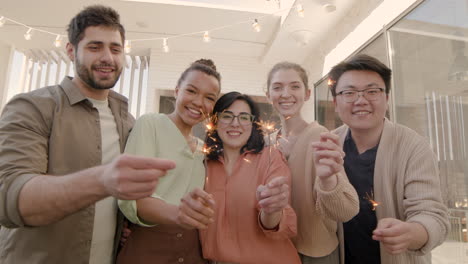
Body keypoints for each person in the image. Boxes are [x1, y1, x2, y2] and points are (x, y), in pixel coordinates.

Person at [0, 5, 175, 264]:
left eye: (115, 49)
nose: (107, 57)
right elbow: (9, 198)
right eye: (95, 47)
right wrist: (102, 180)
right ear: (71, 51)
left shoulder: (128, 121)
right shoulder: (32, 107)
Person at [328, 54, 449, 264]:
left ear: (386, 98)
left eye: (372, 91)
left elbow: (433, 215)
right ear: (336, 103)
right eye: (349, 93)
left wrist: (412, 232)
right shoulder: (330, 144)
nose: (361, 100)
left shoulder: (413, 146)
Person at [117, 59, 221, 264]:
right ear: (176, 91)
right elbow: (133, 196)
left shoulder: (204, 150)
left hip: (193, 251)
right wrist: (179, 214)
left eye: (209, 98)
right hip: (149, 247)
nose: (199, 102)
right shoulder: (150, 124)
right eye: (191, 91)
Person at [265, 62, 359, 264]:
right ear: (268, 95)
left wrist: (328, 181)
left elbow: (346, 210)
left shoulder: (320, 137)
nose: (286, 93)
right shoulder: (267, 143)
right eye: (278, 87)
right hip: (275, 249)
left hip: (315, 253)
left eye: (295, 86)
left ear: (307, 94)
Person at [192, 92, 300, 264]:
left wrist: (271, 210)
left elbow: (277, 224)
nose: (235, 124)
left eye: (244, 117)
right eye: (227, 116)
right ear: (215, 122)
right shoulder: (202, 165)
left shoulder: (270, 157)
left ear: (253, 123)